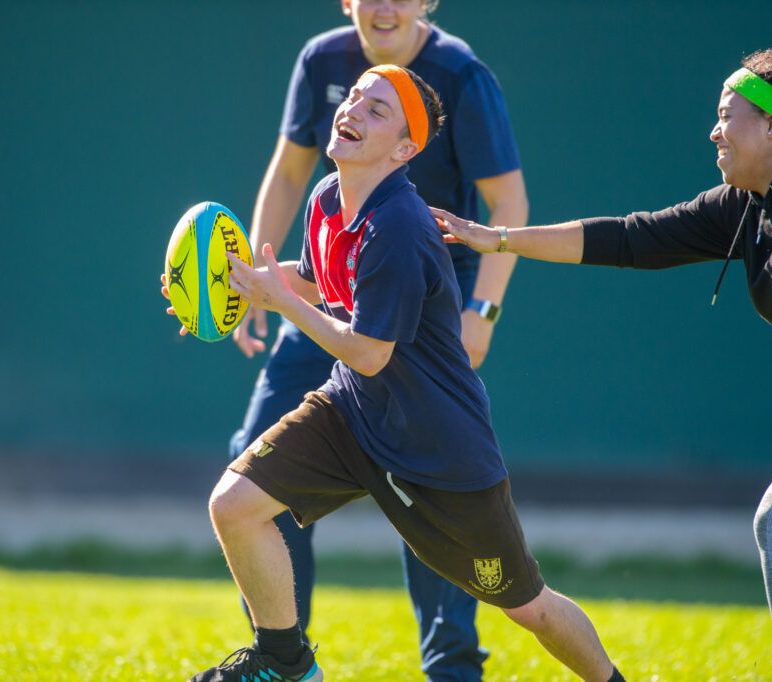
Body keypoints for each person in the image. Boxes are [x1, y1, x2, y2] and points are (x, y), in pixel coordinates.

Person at [168, 66, 624, 682]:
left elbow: (368, 351)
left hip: (438, 450)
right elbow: (326, 284)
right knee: (235, 504)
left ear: (407, 148)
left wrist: (280, 301)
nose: (354, 109)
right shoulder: (328, 197)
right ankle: (285, 663)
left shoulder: (398, 227)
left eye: (378, 110)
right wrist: (235, 280)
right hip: (352, 412)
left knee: (528, 607)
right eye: (355, 96)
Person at [432, 48, 772, 682]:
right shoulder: (744, 208)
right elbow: (630, 237)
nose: (714, 130)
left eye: (727, 116)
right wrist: (497, 239)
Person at [227, 1, 528, 678]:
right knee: (249, 464)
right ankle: (281, 655)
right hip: (329, 290)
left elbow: (509, 202)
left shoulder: (459, 73)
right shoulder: (322, 60)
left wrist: (482, 311)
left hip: (419, 311)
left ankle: (451, 665)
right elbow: (287, 169)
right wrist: (257, 278)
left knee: (428, 487)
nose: (385, 4)